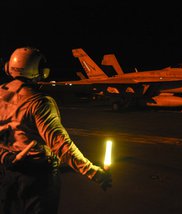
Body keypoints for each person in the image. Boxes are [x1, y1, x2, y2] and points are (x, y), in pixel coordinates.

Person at [0, 47, 112, 214]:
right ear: (36, 70)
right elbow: (60, 144)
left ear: (9, 67)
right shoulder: (39, 102)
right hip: (38, 178)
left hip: (7, 172)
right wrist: (92, 172)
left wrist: (4, 156)